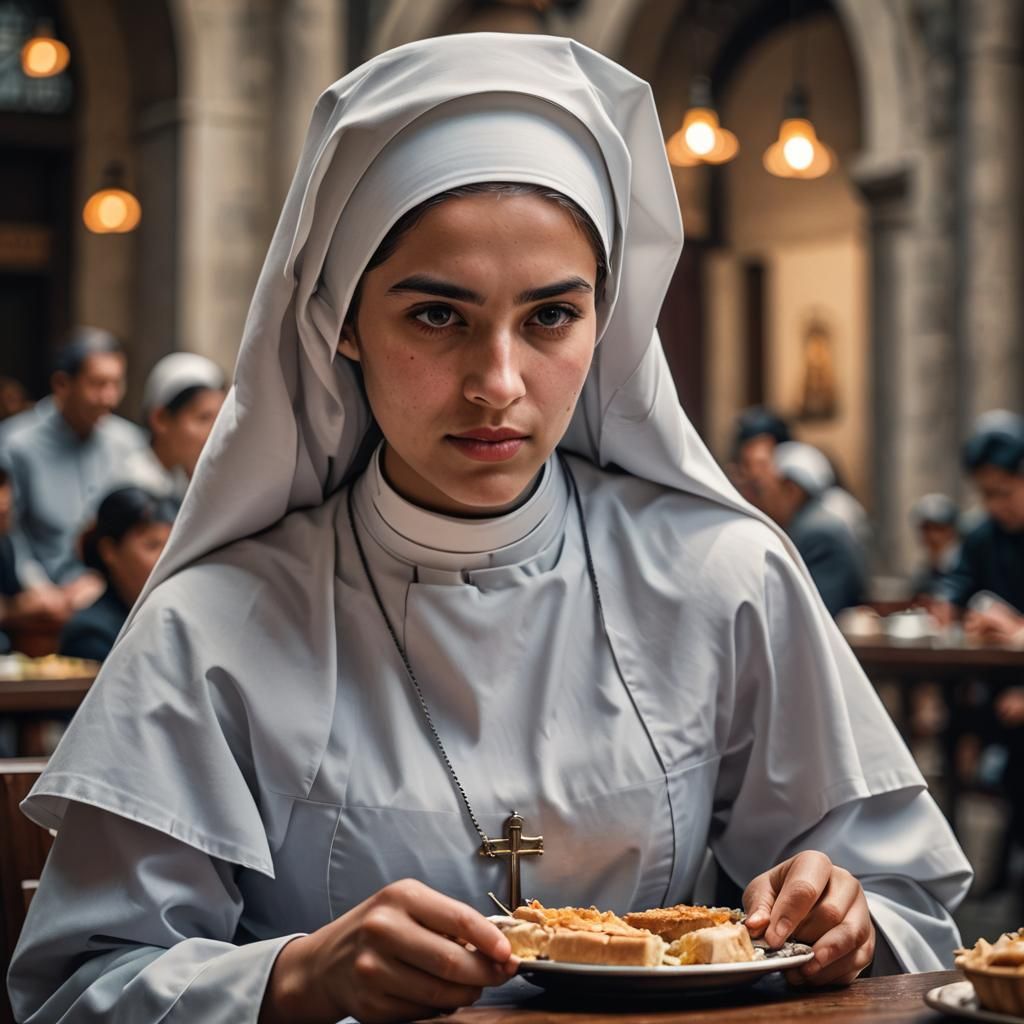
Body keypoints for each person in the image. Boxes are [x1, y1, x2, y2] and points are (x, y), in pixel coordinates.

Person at [9, 35, 970, 1024]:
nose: (498, 385)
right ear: (339, 318)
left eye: (551, 316)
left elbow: (904, 909)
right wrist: (292, 978)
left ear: (604, 321)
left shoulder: (720, 577)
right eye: (437, 315)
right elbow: (83, 988)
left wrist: (844, 913)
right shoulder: (210, 627)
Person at [2, 328, 147, 588]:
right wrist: (40, 591)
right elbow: (10, 533)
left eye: (116, 383)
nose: (109, 398)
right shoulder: (15, 445)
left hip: (112, 596)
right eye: (98, 384)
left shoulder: (129, 442)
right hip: (39, 602)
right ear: (62, 384)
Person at [58, 487, 178, 662]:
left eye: (172, 545)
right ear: (110, 551)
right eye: (152, 545)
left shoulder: (176, 619)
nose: (166, 557)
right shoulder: (91, 636)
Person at [758, 441, 867, 617]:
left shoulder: (818, 534)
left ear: (791, 490)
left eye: (768, 490)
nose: (764, 500)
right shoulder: (808, 525)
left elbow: (815, 611)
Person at [114, 353, 226, 500]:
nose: (215, 431)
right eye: (203, 418)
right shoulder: (131, 487)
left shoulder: (184, 478)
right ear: (161, 419)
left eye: (221, 419)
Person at [908, 493, 961, 603]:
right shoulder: (921, 575)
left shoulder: (965, 569)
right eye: (927, 529)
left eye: (939, 529)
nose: (933, 536)